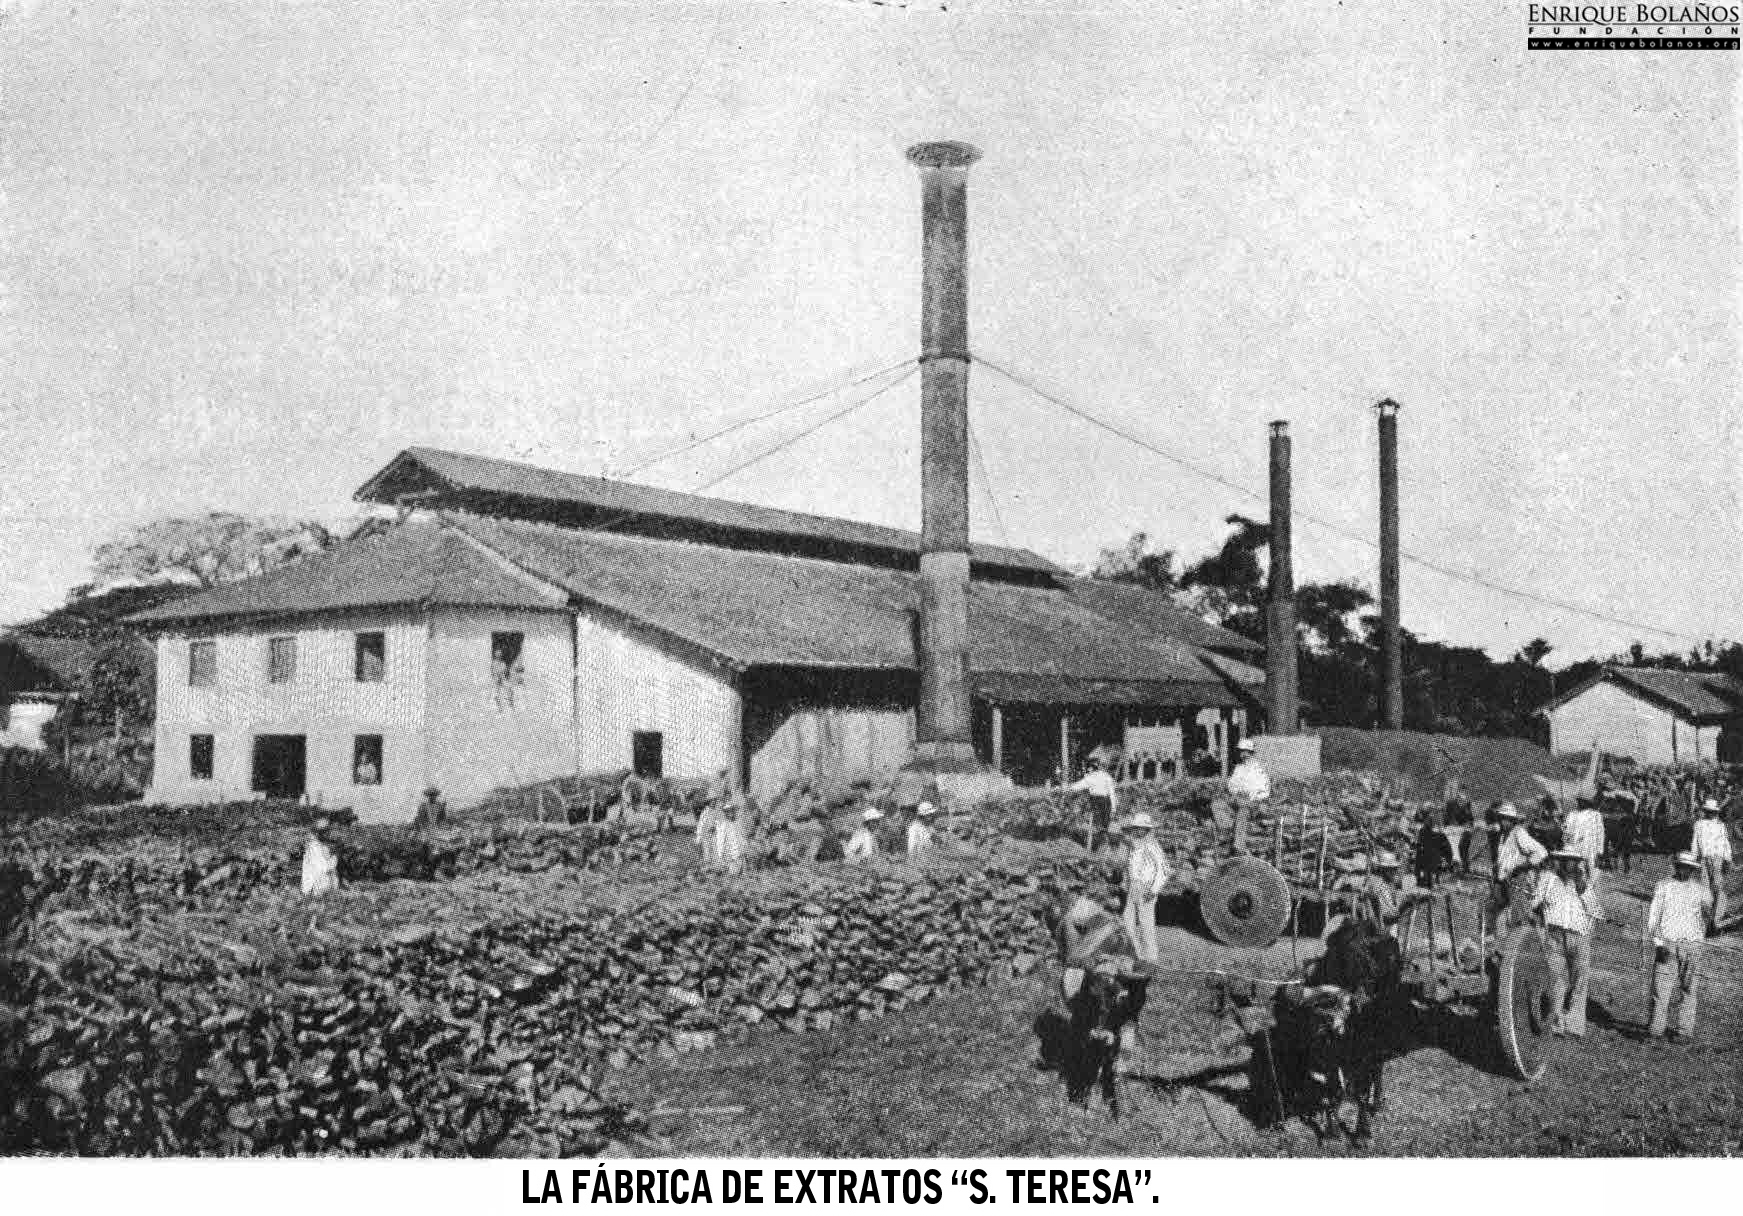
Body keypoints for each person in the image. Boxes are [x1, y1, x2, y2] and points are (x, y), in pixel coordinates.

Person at [1644, 851, 1712, 1042]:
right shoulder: (1663, 886)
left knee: (1689, 989)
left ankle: (1684, 1031)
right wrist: (1658, 944)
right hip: (1668, 944)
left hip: (1692, 945)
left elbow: (1707, 916)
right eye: (1682, 867)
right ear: (1676, 866)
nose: (1685, 871)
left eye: (1689, 868)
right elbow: (1653, 917)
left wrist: (1700, 937)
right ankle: (1656, 1029)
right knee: (1660, 989)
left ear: (1693, 870)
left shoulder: (1700, 890)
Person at [1532, 849, 1593, 1038]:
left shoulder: (1582, 882)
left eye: (1573, 861)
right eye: (1565, 860)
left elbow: (1594, 909)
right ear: (1559, 861)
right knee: (1556, 980)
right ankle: (1556, 1021)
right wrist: (1540, 927)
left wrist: (1582, 882)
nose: (1569, 865)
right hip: (1554, 935)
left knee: (1579, 980)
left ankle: (1574, 1024)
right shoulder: (1547, 879)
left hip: (1579, 936)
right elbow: (1534, 904)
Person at [1121, 813, 1172, 964]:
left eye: (1141, 828)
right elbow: (1131, 868)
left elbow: (1164, 870)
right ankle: (1136, 953)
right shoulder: (1135, 845)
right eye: (1136, 828)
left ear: (1147, 829)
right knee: (1127, 920)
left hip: (1147, 887)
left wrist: (1154, 890)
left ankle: (1151, 958)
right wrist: (1127, 884)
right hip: (1133, 886)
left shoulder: (1152, 846)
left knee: (1146, 924)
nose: (1138, 831)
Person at [1490, 803, 1546, 935]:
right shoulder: (1503, 836)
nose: (1503, 822)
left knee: (1520, 915)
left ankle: (1530, 937)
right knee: (1502, 913)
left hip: (1517, 880)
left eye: (1506, 819)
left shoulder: (1518, 833)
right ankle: (1503, 939)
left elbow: (1541, 852)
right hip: (1503, 880)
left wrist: (1521, 867)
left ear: (1512, 820)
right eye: (1501, 818)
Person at [1563, 795, 1607, 922]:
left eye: (1584, 802)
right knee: (1575, 878)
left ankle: (1592, 910)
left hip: (1591, 850)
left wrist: (1599, 852)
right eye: (1580, 801)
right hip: (1574, 851)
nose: (1582, 803)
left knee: (1591, 879)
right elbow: (1566, 834)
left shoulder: (1595, 815)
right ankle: (1575, 909)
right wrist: (1567, 839)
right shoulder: (1571, 815)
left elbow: (1600, 834)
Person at [1691, 798, 1733, 932]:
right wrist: (1693, 858)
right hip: (1704, 859)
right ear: (1706, 811)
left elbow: (1725, 843)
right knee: (1704, 888)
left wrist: (1728, 859)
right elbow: (1695, 842)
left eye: (1712, 812)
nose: (1711, 814)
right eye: (1708, 811)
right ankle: (1706, 919)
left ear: (1715, 812)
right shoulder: (1699, 824)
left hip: (1717, 859)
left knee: (1717, 888)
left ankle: (1715, 920)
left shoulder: (1721, 826)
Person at [1336, 851, 1403, 928]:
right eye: (1393, 869)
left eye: (1395, 869)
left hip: (1377, 918)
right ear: (1385, 870)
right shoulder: (1378, 883)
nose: (1395, 872)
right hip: (1381, 922)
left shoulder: (1380, 882)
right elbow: (1388, 912)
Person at [1067, 756, 1118, 851]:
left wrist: (1068, 788)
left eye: (1089, 768)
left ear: (1091, 767)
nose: (1088, 770)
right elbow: (1112, 793)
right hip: (1103, 801)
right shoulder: (1105, 776)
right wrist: (1113, 808)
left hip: (1099, 802)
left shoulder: (1092, 777)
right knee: (1102, 824)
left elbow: (1077, 786)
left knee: (1099, 824)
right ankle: (1100, 845)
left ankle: (1100, 845)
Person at [300, 817, 340, 898]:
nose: (329, 834)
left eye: (329, 831)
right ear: (319, 833)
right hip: (316, 889)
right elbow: (323, 868)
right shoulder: (314, 847)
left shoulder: (321, 846)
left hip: (321, 888)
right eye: (326, 831)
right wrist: (334, 858)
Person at [712, 800, 747, 876]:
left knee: (743, 872)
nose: (730, 813)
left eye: (732, 811)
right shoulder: (723, 825)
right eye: (728, 812)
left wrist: (744, 845)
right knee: (734, 873)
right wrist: (720, 853)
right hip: (731, 853)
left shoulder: (737, 823)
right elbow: (720, 840)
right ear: (726, 813)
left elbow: (742, 836)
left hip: (740, 851)